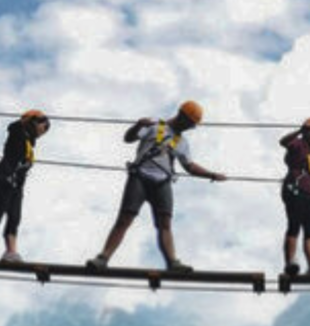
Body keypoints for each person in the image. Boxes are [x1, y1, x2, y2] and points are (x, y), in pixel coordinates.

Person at [87, 101, 227, 272]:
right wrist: (137, 125)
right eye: (190, 124)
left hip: (162, 182)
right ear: (181, 116)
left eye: (192, 126)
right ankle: (103, 258)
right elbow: (128, 138)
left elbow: (189, 166)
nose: (190, 128)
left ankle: (173, 262)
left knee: (164, 224)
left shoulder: (181, 142)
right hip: (140, 177)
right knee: (124, 219)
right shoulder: (154, 126)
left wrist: (211, 175)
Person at [0, 110, 51, 263]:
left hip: (17, 185)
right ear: (33, 122)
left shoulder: (29, 143)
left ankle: (11, 252)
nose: (45, 130)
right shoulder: (17, 133)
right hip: (4, 178)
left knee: (14, 218)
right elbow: (15, 125)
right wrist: (31, 117)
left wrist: (19, 188)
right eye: (44, 125)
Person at [279, 118, 310, 275]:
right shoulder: (298, 143)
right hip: (295, 189)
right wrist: (300, 131)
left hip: (307, 192)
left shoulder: (309, 151)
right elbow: (283, 142)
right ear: (306, 132)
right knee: (294, 225)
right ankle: (290, 262)